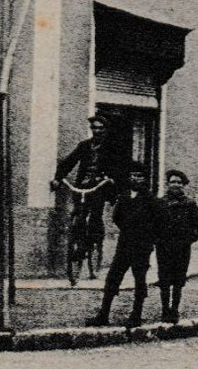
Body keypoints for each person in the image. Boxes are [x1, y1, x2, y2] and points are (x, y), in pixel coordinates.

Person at [88, 163, 157, 328]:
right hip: (124, 245)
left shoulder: (152, 200)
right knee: (113, 278)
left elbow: (158, 223)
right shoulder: (124, 197)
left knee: (140, 280)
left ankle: (136, 315)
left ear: (145, 179)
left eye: (139, 176)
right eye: (133, 175)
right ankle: (103, 314)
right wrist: (128, 230)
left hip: (142, 247)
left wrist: (146, 237)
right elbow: (117, 217)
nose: (135, 178)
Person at [53, 113, 121, 268]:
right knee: (79, 213)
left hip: (100, 186)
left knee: (95, 214)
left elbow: (119, 166)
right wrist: (58, 178)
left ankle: (94, 241)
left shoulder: (113, 146)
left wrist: (110, 177)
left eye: (100, 128)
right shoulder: (84, 145)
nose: (97, 131)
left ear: (105, 130)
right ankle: (78, 242)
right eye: (94, 128)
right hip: (82, 185)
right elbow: (69, 161)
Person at [153, 169, 198, 323]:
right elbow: (154, 224)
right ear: (168, 184)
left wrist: (188, 239)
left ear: (183, 185)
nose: (176, 185)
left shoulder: (190, 204)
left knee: (179, 280)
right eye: (173, 182)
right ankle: (164, 309)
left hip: (182, 248)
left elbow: (196, 225)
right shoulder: (160, 203)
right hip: (164, 247)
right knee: (164, 280)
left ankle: (174, 310)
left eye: (179, 182)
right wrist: (158, 240)